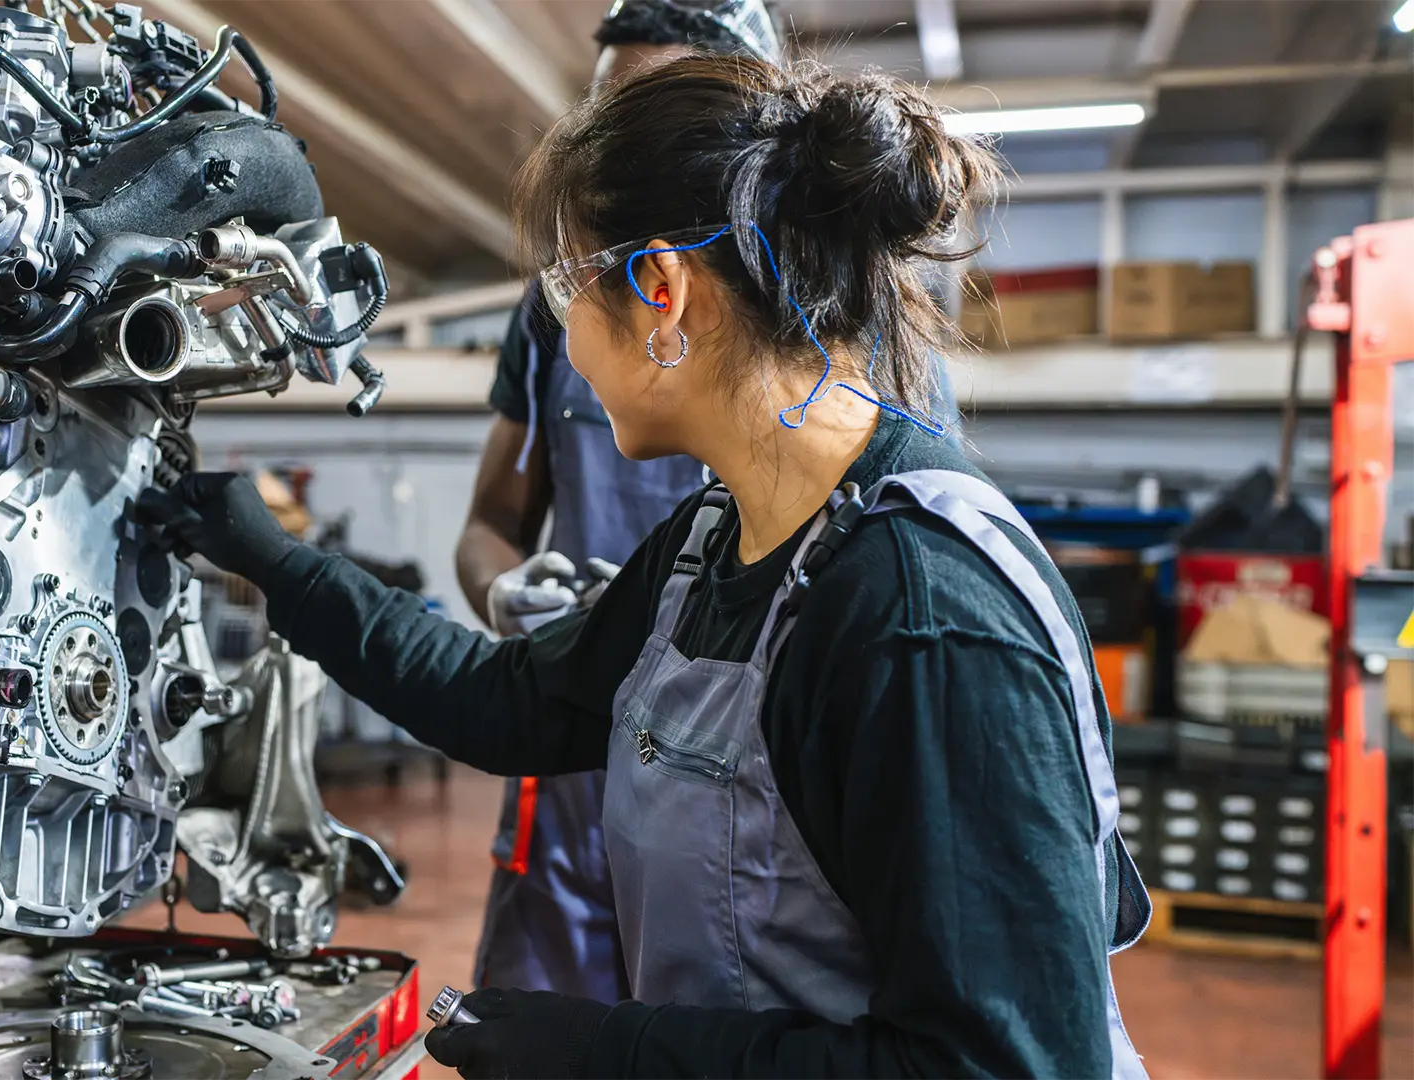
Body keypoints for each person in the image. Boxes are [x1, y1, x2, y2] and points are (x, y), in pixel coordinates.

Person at [139, 54, 1149, 1080]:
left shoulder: (921, 620)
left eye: (570, 286)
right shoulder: (722, 535)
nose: (567, 337)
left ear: (663, 291)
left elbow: (1000, 1067)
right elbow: (511, 704)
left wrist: (606, 1052)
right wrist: (273, 560)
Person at [454, 0, 785, 1008]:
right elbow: (488, 526)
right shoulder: (563, 300)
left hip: (751, 789)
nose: (607, 158)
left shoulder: (816, 318)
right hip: (574, 769)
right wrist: (507, 594)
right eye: (601, 118)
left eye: (645, 117)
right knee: (537, 1033)